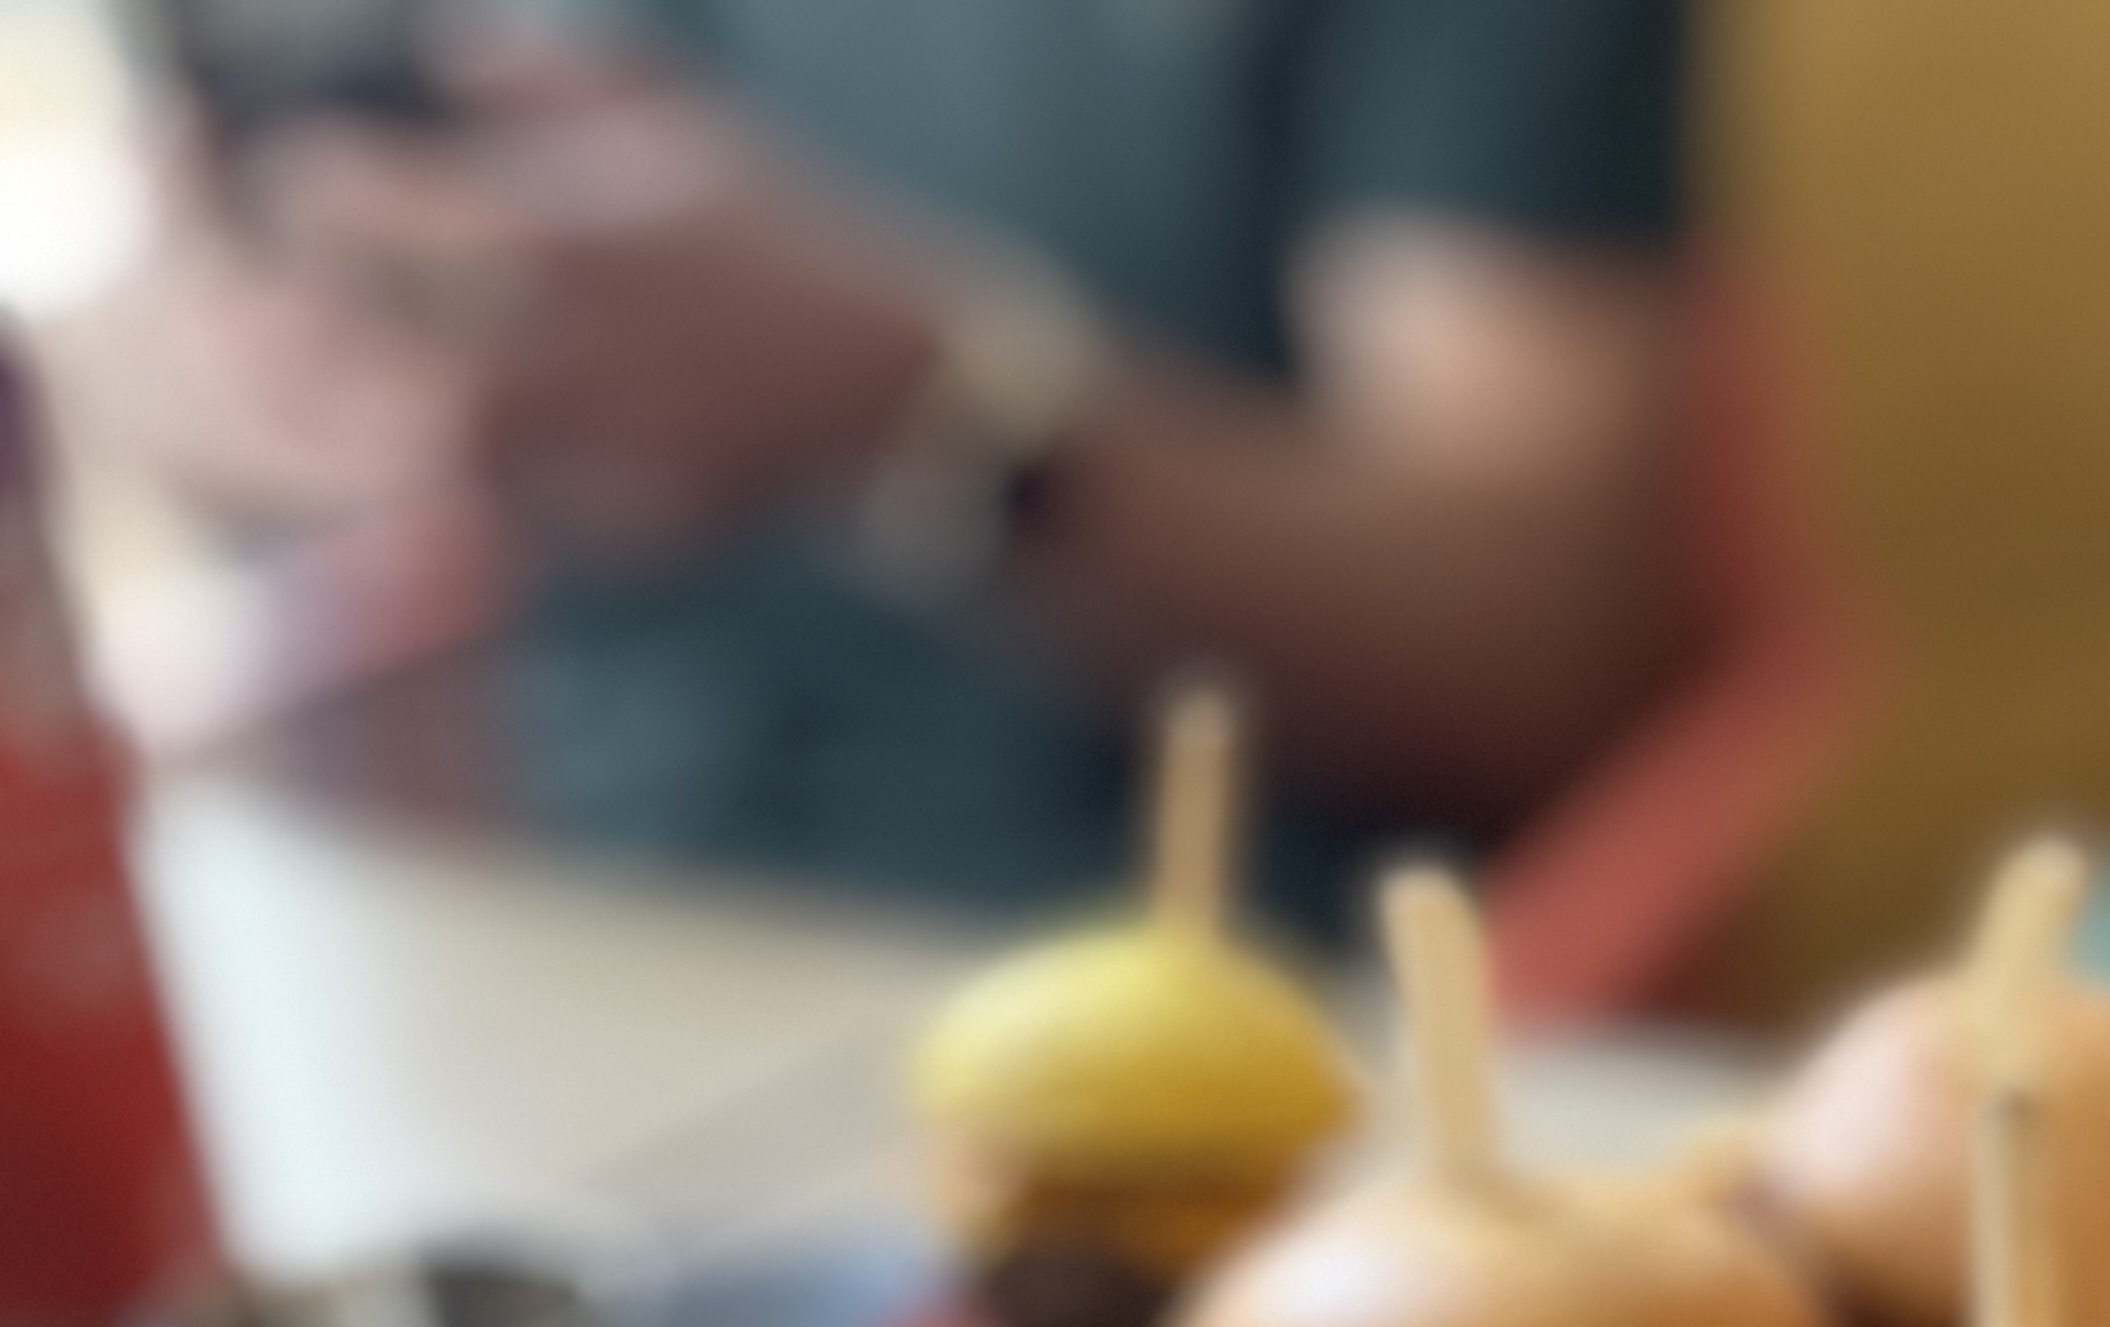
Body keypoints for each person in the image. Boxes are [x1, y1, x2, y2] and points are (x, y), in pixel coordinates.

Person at [114, 0, 1701, 923]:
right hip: (584, 938)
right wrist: (264, 364)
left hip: (1197, 975)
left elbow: (1528, 658)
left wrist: (931, 405)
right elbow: (193, 371)